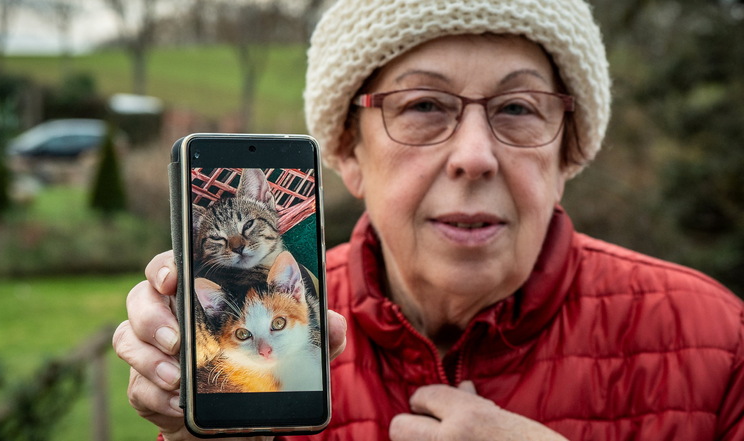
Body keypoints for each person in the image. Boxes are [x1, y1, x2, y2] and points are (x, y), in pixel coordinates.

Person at [112, 0, 744, 439]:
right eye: (422, 105)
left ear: (564, 155)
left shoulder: (722, 342)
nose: (474, 156)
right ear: (349, 154)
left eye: (519, 107)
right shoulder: (262, 343)